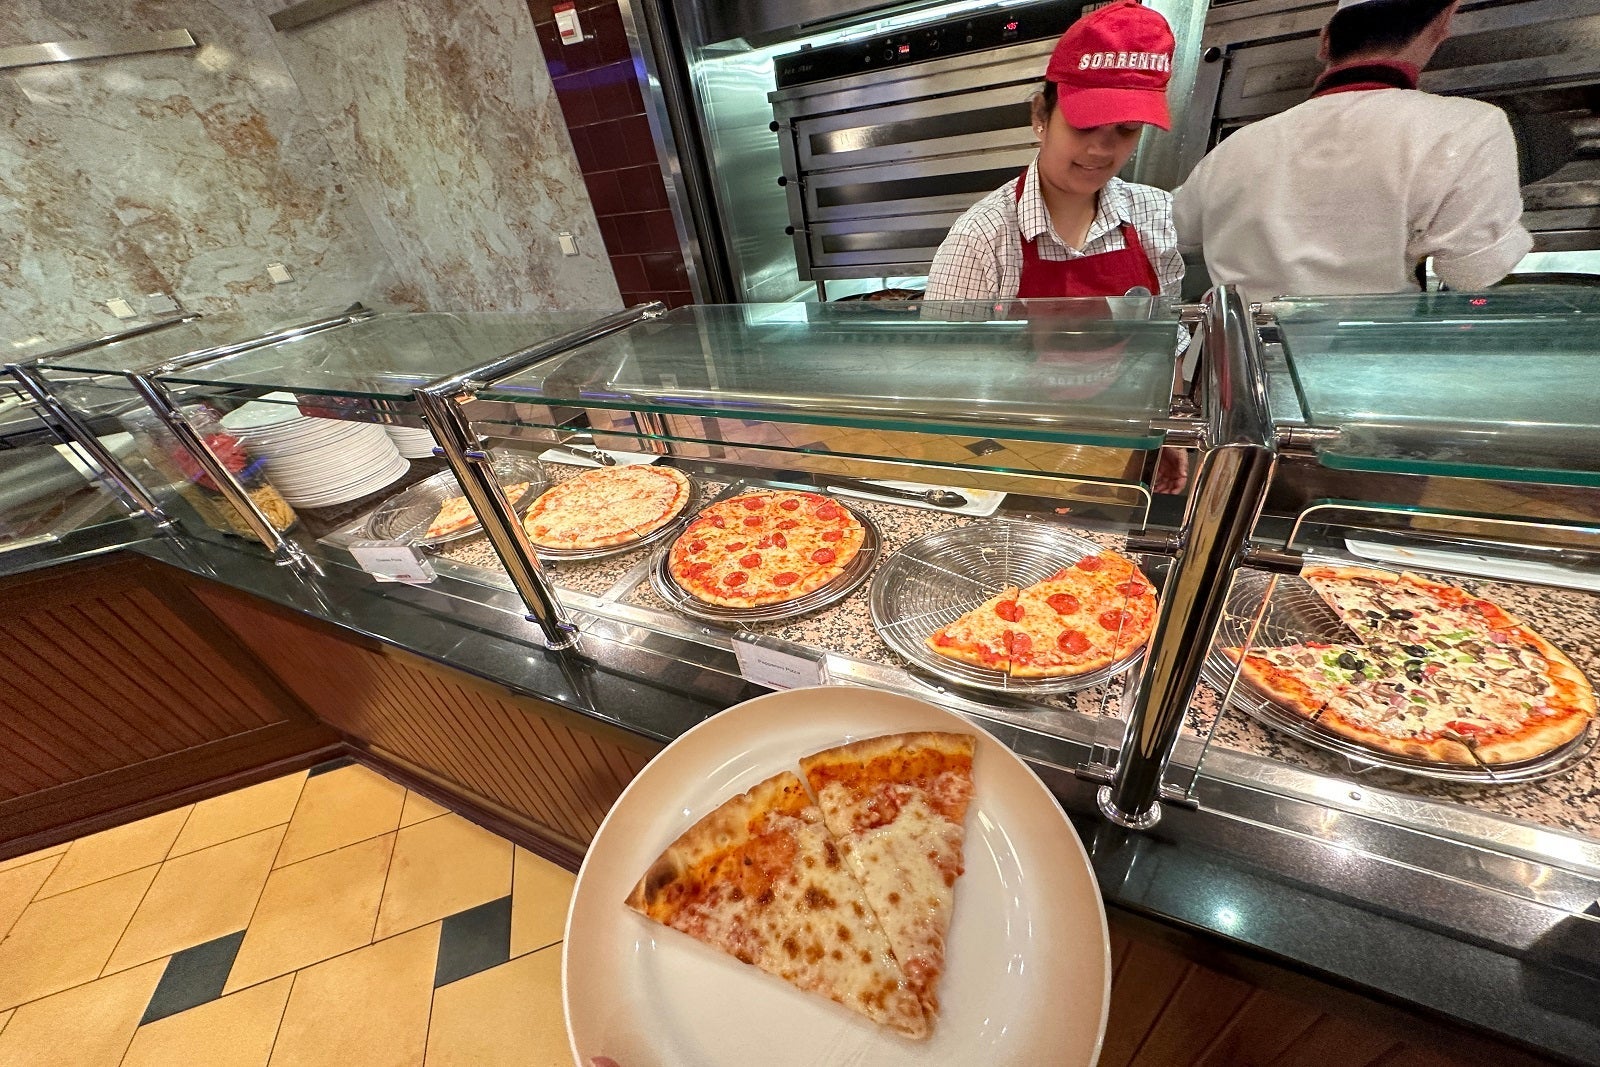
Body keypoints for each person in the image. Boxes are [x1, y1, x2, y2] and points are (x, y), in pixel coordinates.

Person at [1172, 0, 1532, 304]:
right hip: (1362, 369)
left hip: (1232, 366)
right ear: (1442, 24)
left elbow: (1170, 230)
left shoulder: (1234, 148)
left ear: (1324, 42)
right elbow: (1475, 273)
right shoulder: (1469, 127)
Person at [923, 0, 1183, 302]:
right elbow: (948, 351)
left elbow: (1167, 337)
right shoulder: (981, 239)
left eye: (1126, 128)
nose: (1101, 149)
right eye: (1084, 125)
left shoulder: (1157, 215)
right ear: (1040, 115)